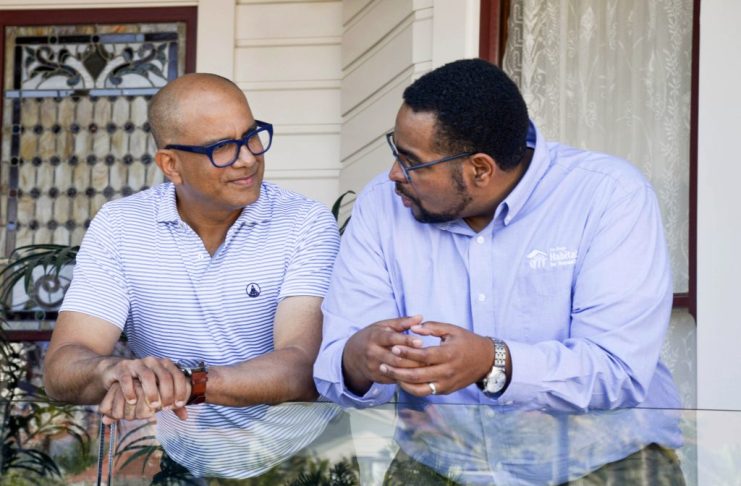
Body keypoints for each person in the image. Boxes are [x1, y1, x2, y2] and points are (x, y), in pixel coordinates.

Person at [314, 59, 685, 484]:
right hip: (439, 466)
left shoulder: (609, 196)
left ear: (480, 169)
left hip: (603, 465)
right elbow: (337, 363)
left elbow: (617, 370)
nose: (394, 173)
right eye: (395, 151)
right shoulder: (381, 206)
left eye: (412, 162)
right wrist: (360, 357)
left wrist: (493, 362)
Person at [43, 73, 341, 479]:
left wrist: (188, 383)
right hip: (177, 459)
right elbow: (62, 367)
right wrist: (111, 372)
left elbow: (302, 366)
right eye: (222, 147)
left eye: (251, 136)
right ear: (171, 165)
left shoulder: (304, 222)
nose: (247, 158)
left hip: (301, 461)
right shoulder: (120, 225)